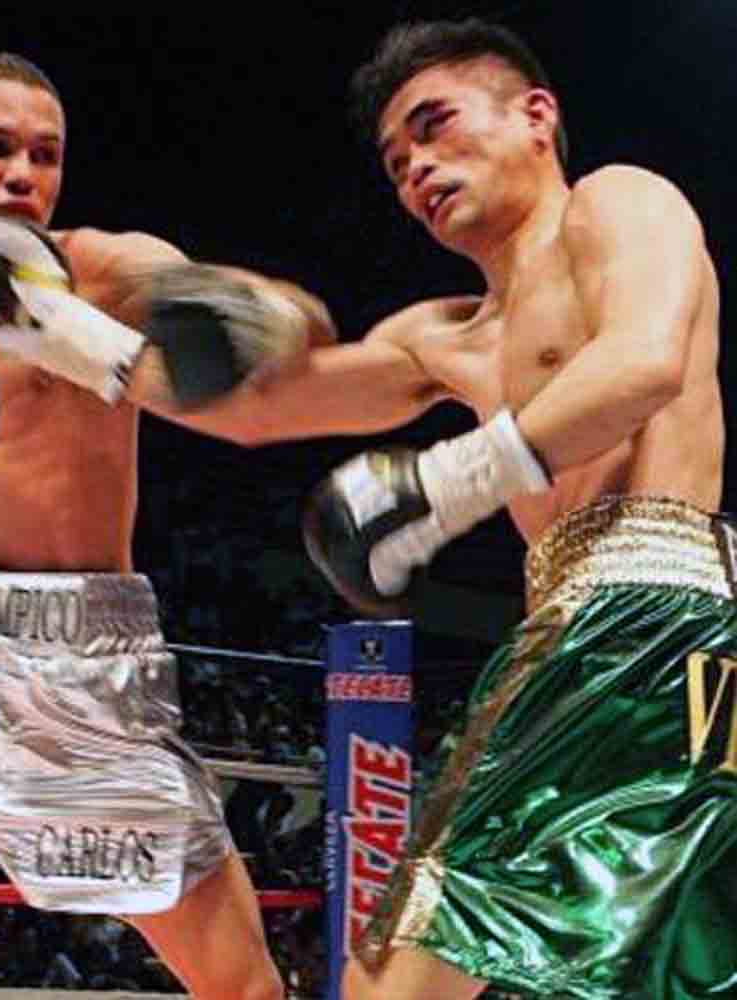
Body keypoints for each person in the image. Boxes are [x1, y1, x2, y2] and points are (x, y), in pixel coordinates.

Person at [0, 50, 350, 1000]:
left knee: (242, 986)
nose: (22, 174)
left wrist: (69, 331)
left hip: (93, 671)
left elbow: (285, 332)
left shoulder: (106, 268)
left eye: (44, 154)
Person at [302, 17, 737, 1000]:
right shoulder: (447, 338)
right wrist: (76, 337)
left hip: (631, 612)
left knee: (390, 977)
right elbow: (266, 398)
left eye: (434, 125)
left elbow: (641, 364)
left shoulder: (616, 203)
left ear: (534, 116)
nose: (416, 166)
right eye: (395, 161)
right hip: (655, 641)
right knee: (654, 975)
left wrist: (439, 487)